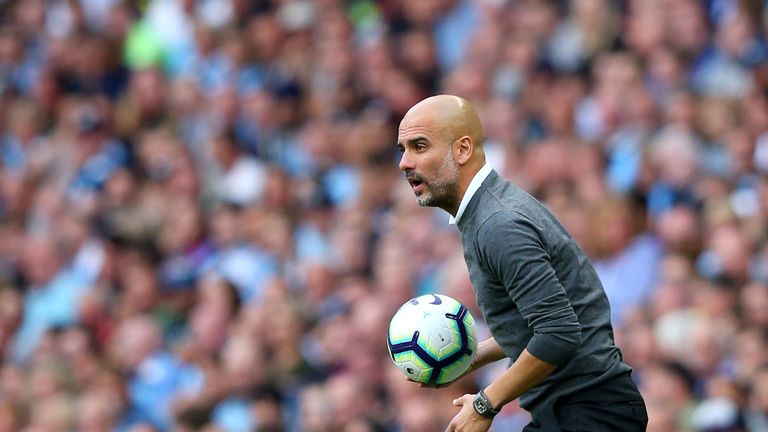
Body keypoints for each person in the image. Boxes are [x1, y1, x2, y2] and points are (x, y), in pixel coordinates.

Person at [396, 95, 648, 432]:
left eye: (419, 146)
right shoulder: (489, 213)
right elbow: (537, 321)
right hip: (580, 409)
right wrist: (466, 360)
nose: (405, 162)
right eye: (403, 149)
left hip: (590, 411)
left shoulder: (498, 224)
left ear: (463, 149)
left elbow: (558, 333)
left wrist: (486, 403)